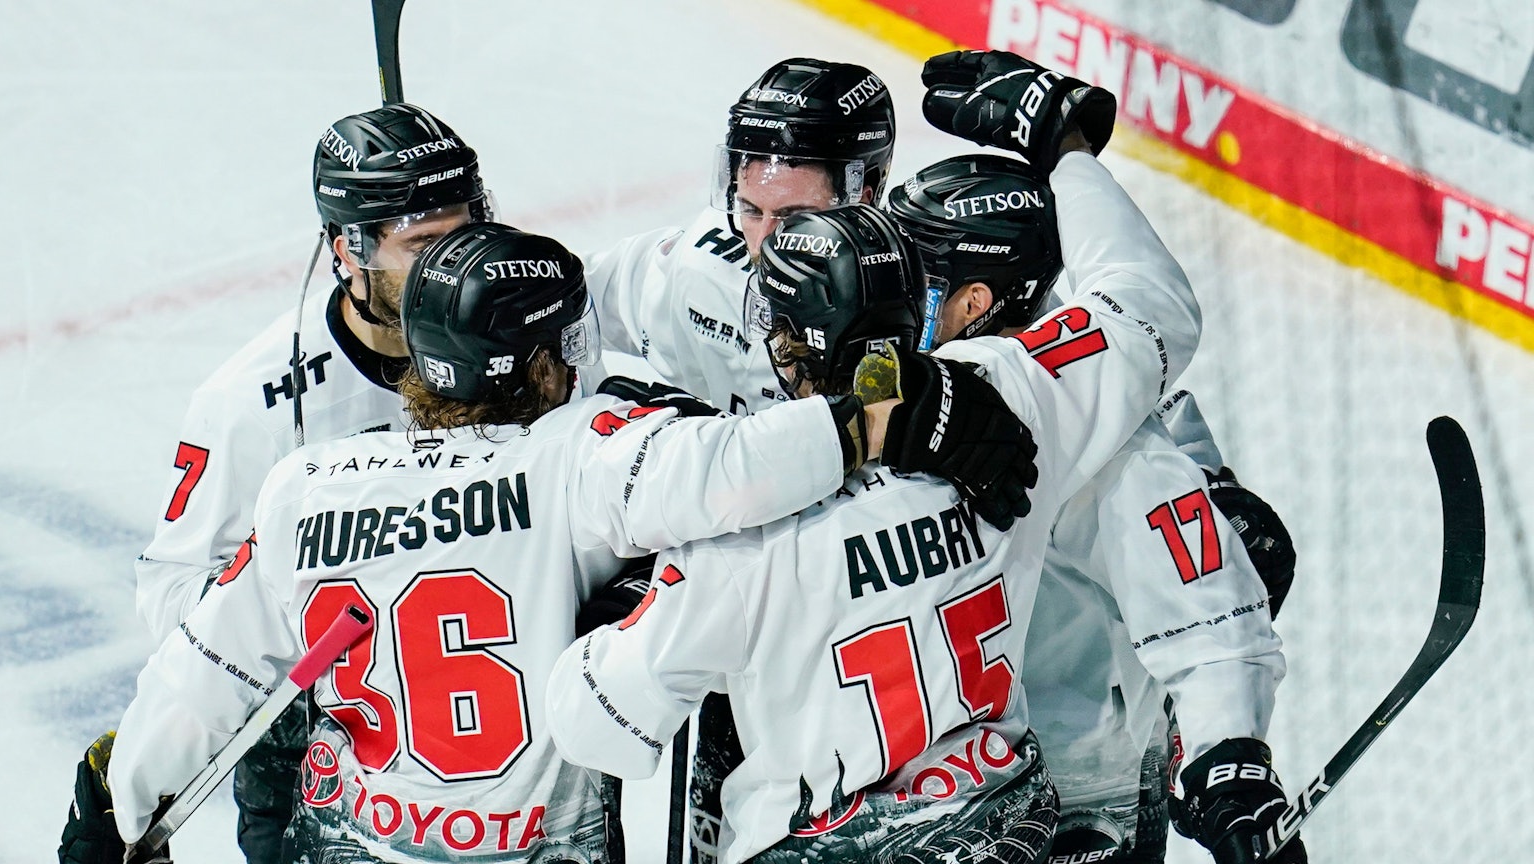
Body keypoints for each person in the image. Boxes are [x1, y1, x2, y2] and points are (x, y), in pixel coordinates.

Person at [62, 222, 1037, 864]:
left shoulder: (302, 487)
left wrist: (116, 809)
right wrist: (892, 410)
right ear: (535, 359)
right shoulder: (578, 458)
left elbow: (198, 679)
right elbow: (739, 465)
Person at [543, 147, 1216, 864]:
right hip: (1005, 824)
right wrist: (1071, 152)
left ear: (783, 343)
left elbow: (598, 727)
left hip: (823, 843)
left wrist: (622, 603)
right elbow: (1146, 310)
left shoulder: (740, 533)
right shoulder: (1018, 403)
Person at [915, 50, 1306, 864]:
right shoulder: (1082, 376)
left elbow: (1200, 590)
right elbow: (1140, 298)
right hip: (952, 785)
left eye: (926, 271)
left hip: (1067, 798)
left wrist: (1227, 753)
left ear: (980, 296)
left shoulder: (1088, 424)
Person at [115, 102, 495, 864]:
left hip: (488, 748)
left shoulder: (519, 341)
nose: (452, 269)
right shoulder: (252, 403)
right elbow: (174, 599)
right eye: (422, 246)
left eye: (463, 236)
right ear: (345, 250)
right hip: (318, 767)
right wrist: (316, 586)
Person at [580, 57, 896, 416]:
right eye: (750, 209)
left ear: (861, 201)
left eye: (794, 217)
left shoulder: (915, 307)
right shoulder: (704, 270)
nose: (763, 242)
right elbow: (568, 300)